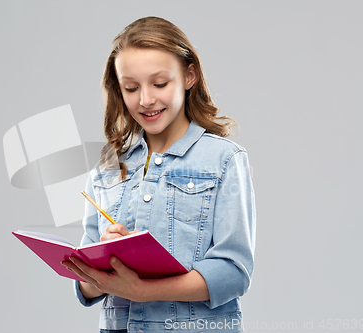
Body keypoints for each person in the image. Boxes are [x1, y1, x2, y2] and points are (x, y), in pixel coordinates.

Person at [62, 16, 256, 333]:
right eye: (131, 87)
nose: (146, 100)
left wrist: (144, 291)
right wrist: (103, 261)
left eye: (160, 84)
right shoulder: (109, 166)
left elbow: (234, 272)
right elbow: (86, 289)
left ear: (189, 75)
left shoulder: (224, 159)